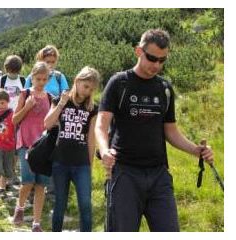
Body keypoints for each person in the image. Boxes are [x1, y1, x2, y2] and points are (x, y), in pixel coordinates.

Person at [95, 29, 214, 232]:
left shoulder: (164, 89)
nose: (157, 65)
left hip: (159, 175)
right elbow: (101, 125)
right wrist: (104, 150)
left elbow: (171, 131)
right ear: (138, 51)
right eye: (152, 58)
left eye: (162, 60)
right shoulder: (119, 83)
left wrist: (196, 151)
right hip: (125, 174)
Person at [44, 66, 100, 232]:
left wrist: (90, 165)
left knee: (85, 204)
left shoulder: (92, 108)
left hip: (81, 163)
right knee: (60, 203)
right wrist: (61, 103)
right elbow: (47, 124)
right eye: (86, 86)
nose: (87, 91)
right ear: (77, 81)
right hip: (60, 161)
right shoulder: (60, 100)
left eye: (91, 89)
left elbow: (91, 138)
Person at [12, 61, 52, 232]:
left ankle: (36, 223)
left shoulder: (50, 97)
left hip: (43, 146)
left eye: (44, 79)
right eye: (38, 79)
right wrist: (27, 107)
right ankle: (19, 207)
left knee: (41, 185)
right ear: (32, 77)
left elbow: (51, 122)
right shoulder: (25, 93)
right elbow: (14, 120)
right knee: (28, 182)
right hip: (26, 143)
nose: (41, 82)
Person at [25, 45, 69, 196]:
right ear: (40, 59)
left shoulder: (59, 77)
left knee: (52, 153)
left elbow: (66, 95)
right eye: (47, 60)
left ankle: (50, 189)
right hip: (32, 123)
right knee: (33, 153)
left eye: (52, 61)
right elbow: (24, 97)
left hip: (53, 122)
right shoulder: (31, 78)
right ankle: (31, 186)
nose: (50, 64)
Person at [0, 55, 26, 187]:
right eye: (10, 71)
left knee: (15, 148)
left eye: (14, 71)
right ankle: (6, 174)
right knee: (4, 145)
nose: (12, 74)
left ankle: (11, 172)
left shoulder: (23, 80)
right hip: (3, 119)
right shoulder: (1, 79)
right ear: (6, 69)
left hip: (18, 118)